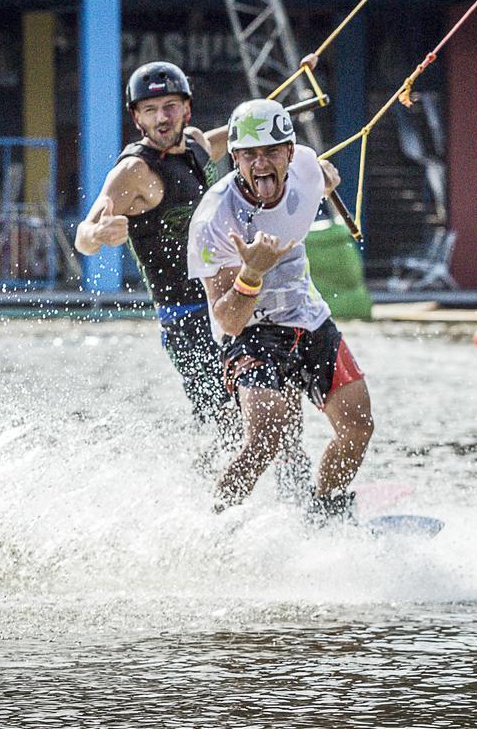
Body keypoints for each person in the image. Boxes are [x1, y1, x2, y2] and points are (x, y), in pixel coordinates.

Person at [73, 62, 312, 487]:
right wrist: (99, 233)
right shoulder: (133, 171)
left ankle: (301, 500)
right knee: (228, 425)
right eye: (149, 110)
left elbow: (244, 137)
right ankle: (200, 503)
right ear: (136, 117)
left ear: (187, 109)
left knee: (281, 401)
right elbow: (83, 237)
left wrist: (289, 99)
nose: (161, 118)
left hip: (231, 304)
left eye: (170, 106)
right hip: (187, 320)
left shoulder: (198, 145)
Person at [187, 98, 374, 522]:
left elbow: (317, 174)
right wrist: (251, 273)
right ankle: (214, 526)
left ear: (290, 152)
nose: (261, 165)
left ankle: (324, 512)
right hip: (251, 332)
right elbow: (227, 320)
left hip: (307, 319)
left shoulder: (306, 167)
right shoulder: (215, 219)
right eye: (249, 155)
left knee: (358, 425)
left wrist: (325, 180)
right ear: (234, 159)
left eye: (272, 152)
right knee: (266, 438)